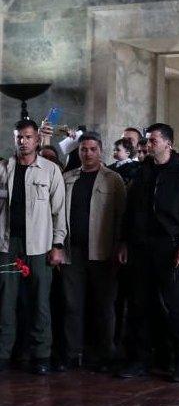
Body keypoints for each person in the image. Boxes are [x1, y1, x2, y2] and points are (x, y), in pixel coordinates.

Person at [117, 122, 179, 381]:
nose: (147, 145)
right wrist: (124, 241)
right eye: (147, 141)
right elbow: (130, 210)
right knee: (139, 304)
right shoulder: (142, 171)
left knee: (175, 306)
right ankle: (139, 359)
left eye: (153, 141)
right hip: (141, 247)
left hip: (171, 247)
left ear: (168, 144)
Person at [0, 119, 67, 374]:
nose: (23, 141)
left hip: (39, 244)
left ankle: (41, 355)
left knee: (40, 301)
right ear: (14, 138)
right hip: (8, 244)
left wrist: (58, 245)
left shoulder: (50, 170)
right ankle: (4, 353)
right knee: (5, 300)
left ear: (37, 139)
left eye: (28, 137)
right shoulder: (4, 169)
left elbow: (59, 212)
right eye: (19, 137)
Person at [60, 133, 126, 373]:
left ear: (101, 151)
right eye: (83, 149)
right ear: (78, 152)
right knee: (72, 304)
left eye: (92, 149)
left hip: (103, 251)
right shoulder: (67, 178)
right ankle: (72, 353)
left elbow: (122, 216)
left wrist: (120, 245)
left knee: (104, 305)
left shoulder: (114, 179)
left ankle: (105, 354)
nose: (87, 153)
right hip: (72, 251)